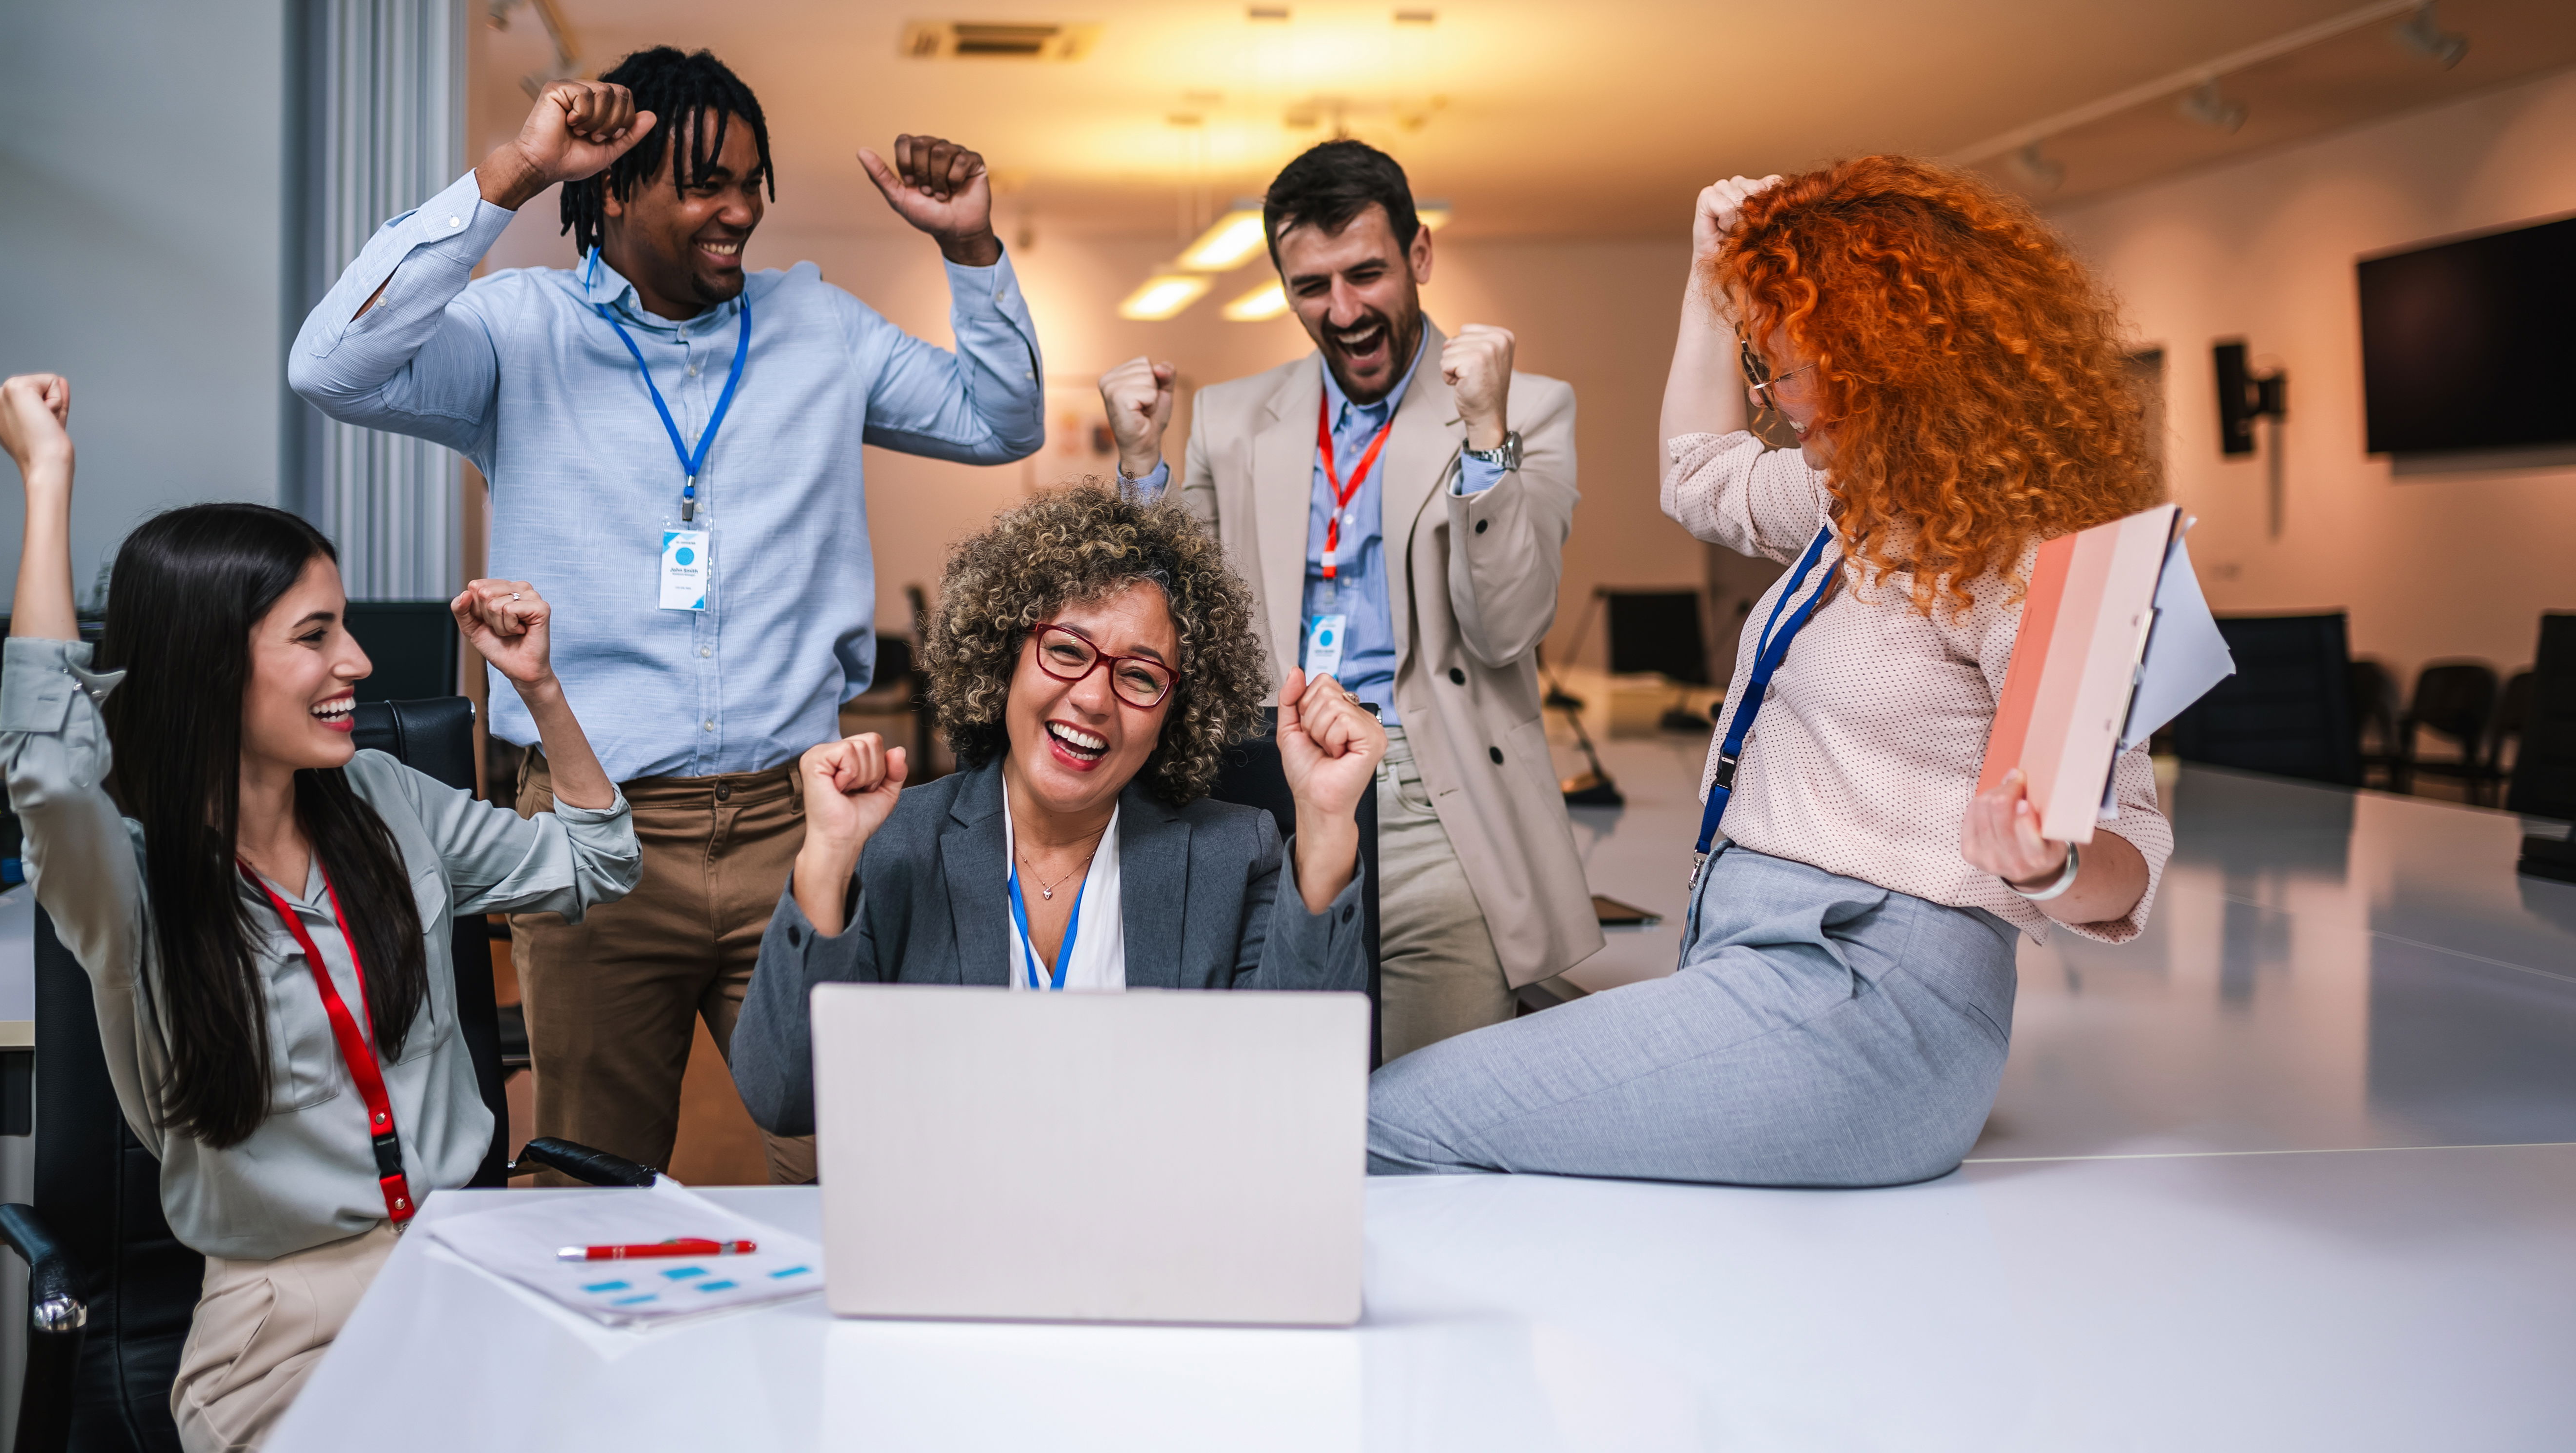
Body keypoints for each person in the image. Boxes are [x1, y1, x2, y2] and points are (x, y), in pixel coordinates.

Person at [288, 48, 1044, 1183]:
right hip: (596, 841)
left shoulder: (819, 329)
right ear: (612, 190)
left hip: (800, 831)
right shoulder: (518, 330)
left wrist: (972, 251)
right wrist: (514, 172)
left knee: (847, 1172)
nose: (738, 209)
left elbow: (1002, 420)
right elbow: (333, 366)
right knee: (591, 1185)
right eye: (703, 183)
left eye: (751, 181)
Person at [1364, 157, 2177, 1185]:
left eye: (1788, 371)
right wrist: (1710, 280)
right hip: (1770, 971)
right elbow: (1700, 475)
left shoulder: (2036, 548)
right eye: (1764, 363)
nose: (1772, 397)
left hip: (1870, 1007)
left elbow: (2131, 847)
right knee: (1434, 1104)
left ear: (1889, 360)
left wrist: (2048, 861)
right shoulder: (1864, 498)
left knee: (1392, 1120)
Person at [0, 374, 638, 1452]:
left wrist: (542, 694)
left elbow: (596, 864)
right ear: (210, 664)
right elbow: (50, 775)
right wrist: (48, 479)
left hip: (471, 1276)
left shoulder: (383, 802)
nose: (359, 664)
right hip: (282, 1335)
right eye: (315, 635)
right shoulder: (129, 878)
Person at [1098, 139, 1598, 1061]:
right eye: (1312, 286)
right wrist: (1138, 469)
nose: (1344, 310)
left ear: (1420, 258)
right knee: (1274, 1095)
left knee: (1435, 1110)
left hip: (1432, 800)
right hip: (1266, 788)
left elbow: (1507, 627)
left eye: (1366, 273)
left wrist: (1486, 439)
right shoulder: (1234, 418)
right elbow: (1171, 623)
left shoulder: (1525, 407)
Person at [729, 483, 1385, 1135]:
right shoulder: (894, 844)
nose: (1095, 699)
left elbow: (1297, 1090)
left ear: (1174, 713)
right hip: (952, 1224)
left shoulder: (1235, 853)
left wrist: (1327, 822)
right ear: (1004, 656)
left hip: (1155, 1221)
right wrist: (828, 860)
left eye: (1140, 676)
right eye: (1067, 650)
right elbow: (785, 1097)